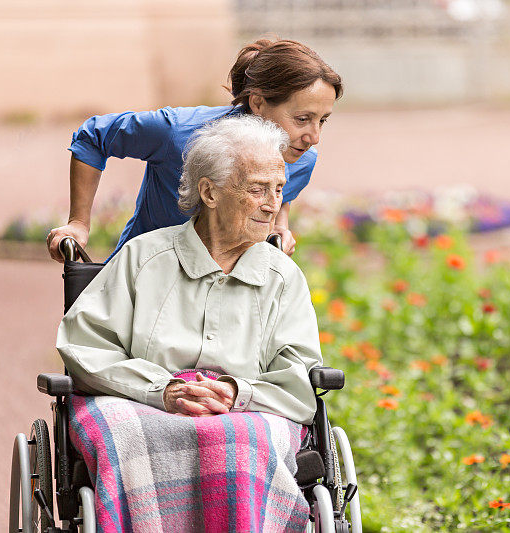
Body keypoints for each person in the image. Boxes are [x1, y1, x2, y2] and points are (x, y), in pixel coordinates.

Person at [57, 116, 322, 531]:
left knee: (243, 444)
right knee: (124, 435)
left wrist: (238, 392)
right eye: (257, 189)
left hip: (244, 412)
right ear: (209, 192)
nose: (273, 204)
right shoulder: (142, 258)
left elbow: (299, 375)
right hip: (141, 404)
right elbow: (85, 347)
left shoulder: (283, 278)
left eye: (278, 188)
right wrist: (161, 390)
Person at [47, 37, 343, 261]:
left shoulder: (301, 158)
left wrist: (280, 226)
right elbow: (94, 137)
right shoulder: (177, 132)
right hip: (139, 282)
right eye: (302, 119)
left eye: (323, 121)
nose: (313, 137)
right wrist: (78, 223)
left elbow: (284, 195)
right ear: (257, 102)